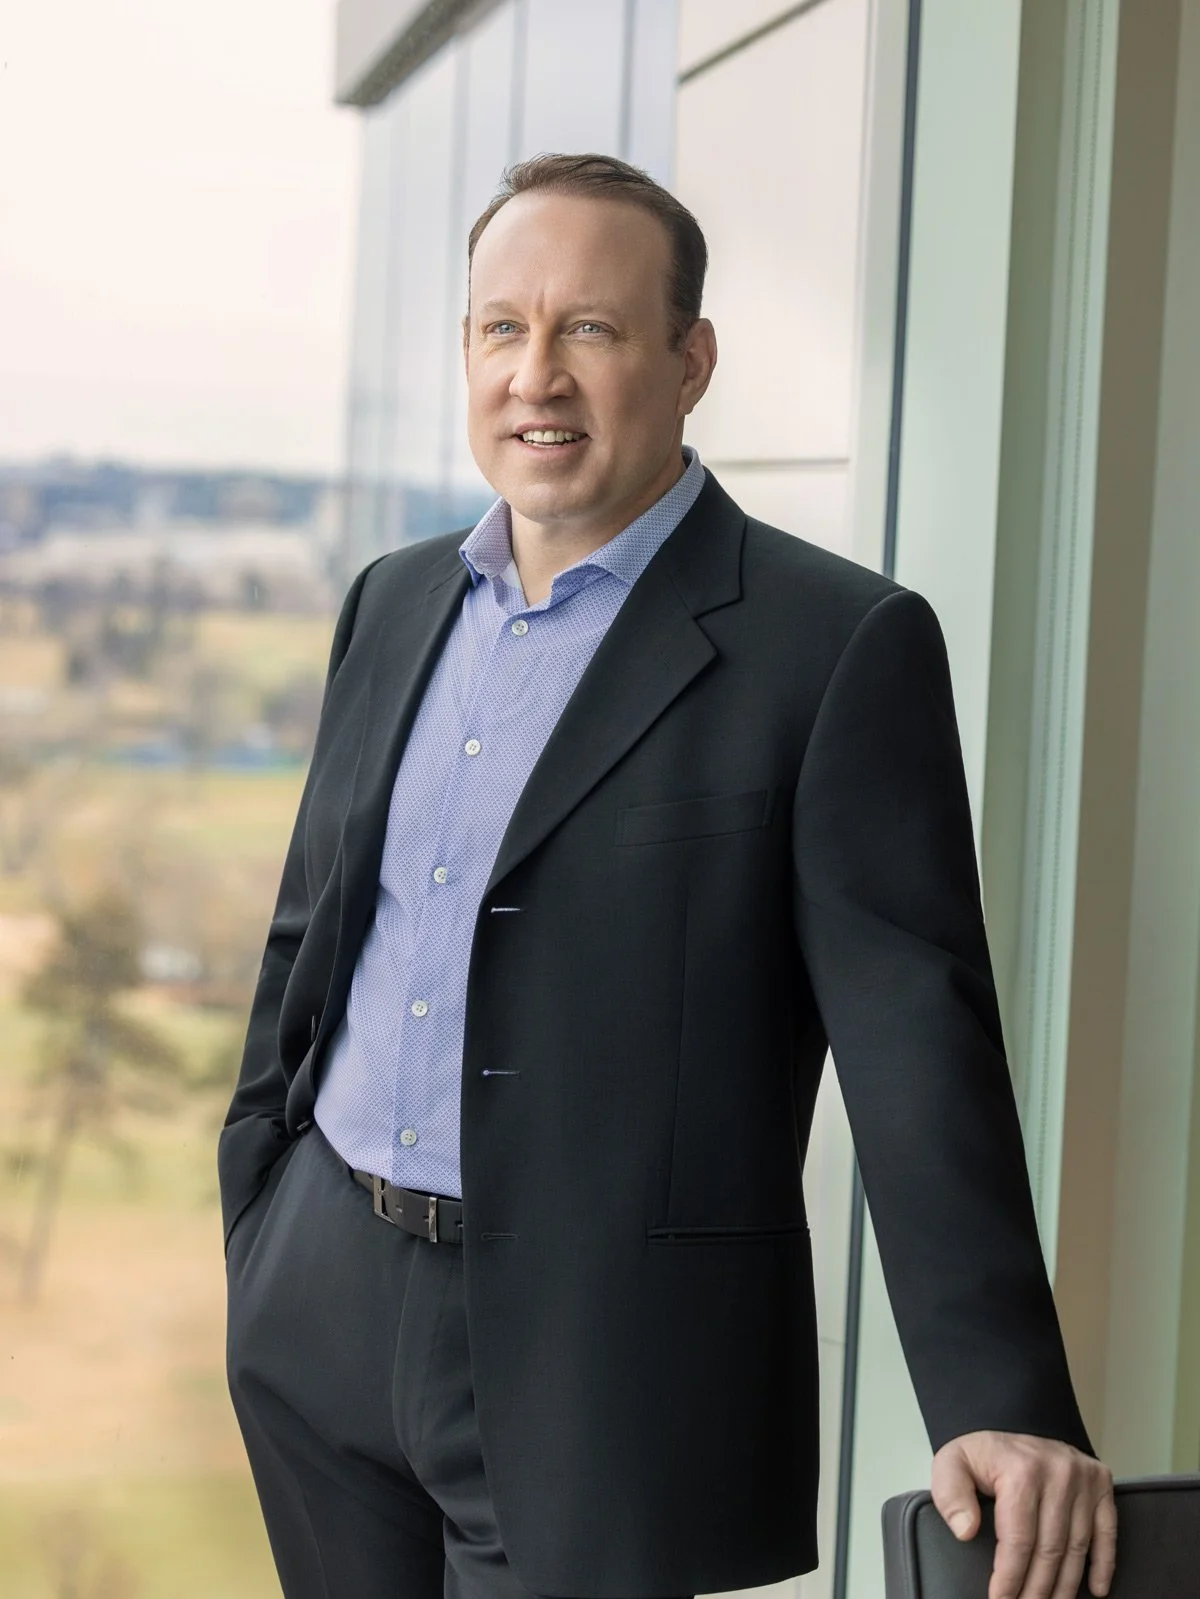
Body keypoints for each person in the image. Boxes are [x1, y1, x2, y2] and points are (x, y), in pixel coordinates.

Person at [220, 153, 1116, 1599]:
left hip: (595, 1367)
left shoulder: (834, 644)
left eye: (592, 327)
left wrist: (1000, 1392)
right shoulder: (393, 599)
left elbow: (915, 1038)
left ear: (691, 361)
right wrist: (259, 1188)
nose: (537, 375)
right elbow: (314, 926)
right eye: (503, 327)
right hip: (319, 1296)